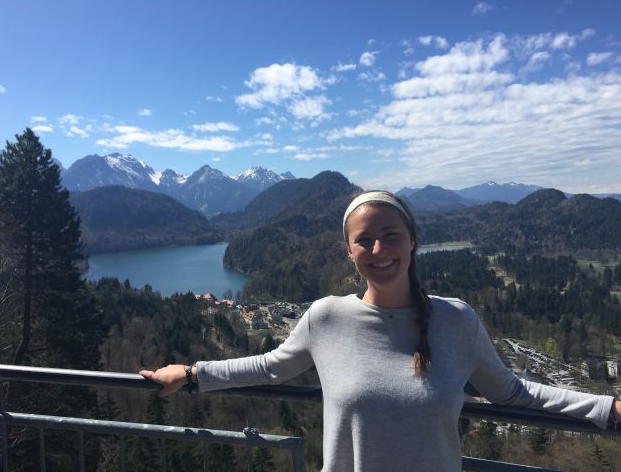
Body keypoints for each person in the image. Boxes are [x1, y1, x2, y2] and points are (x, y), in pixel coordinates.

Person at [140, 190, 620, 472]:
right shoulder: (326, 317)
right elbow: (270, 367)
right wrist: (190, 372)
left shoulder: (457, 321)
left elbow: (513, 393)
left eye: (391, 235)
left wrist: (607, 408)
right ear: (350, 252)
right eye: (363, 240)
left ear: (412, 240)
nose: (379, 248)